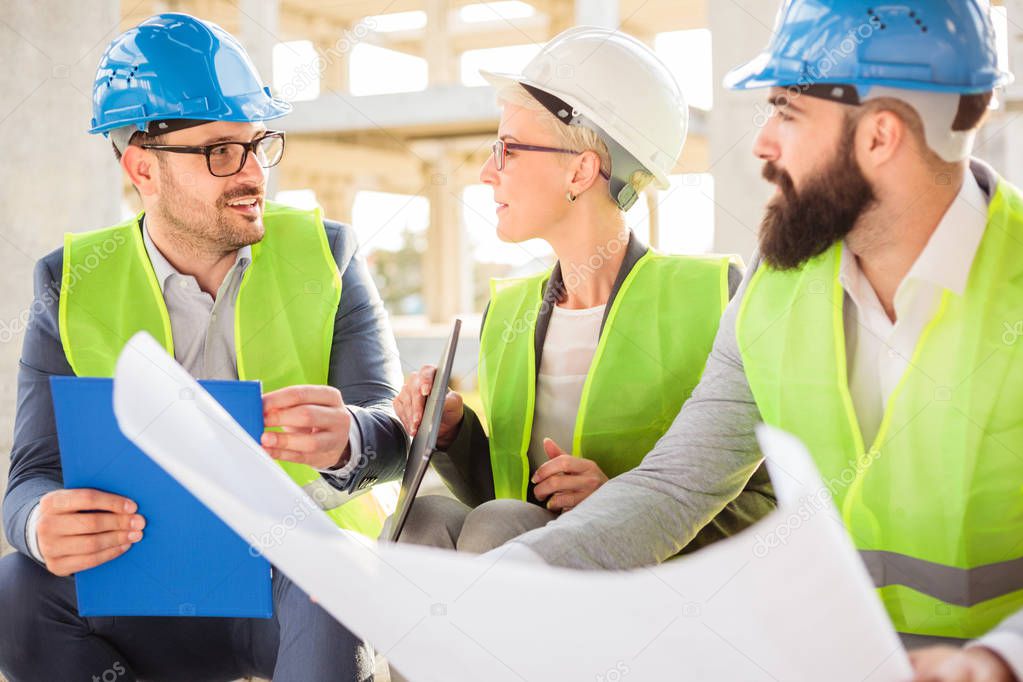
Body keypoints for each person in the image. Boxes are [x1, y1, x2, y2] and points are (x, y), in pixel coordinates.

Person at [492, 1, 1023, 679]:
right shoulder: (776, 291)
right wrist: (500, 580)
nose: (763, 144)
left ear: (880, 136)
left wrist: (996, 659)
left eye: (787, 111)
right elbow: (675, 487)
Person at [0, 13, 405, 681]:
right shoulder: (69, 282)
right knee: (18, 591)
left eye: (256, 144)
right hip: (149, 588)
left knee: (335, 582)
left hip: (299, 588)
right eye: (220, 151)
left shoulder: (328, 254)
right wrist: (41, 522)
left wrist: (349, 438)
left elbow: (390, 428)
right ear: (142, 169)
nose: (251, 173)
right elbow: (29, 477)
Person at [392, 27, 774, 554]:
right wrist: (454, 435)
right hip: (525, 572)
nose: (485, 172)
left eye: (506, 149)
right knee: (426, 516)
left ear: (581, 169)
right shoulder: (509, 312)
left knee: (497, 525)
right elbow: (508, 496)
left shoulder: (714, 296)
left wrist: (621, 506)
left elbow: (769, 502)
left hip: (653, 593)